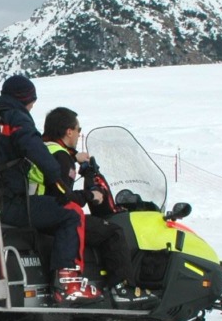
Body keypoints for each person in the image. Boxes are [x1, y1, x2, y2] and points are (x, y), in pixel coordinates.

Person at [0, 75, 99, 304]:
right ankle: (68, 282)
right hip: (10, 201)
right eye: (32, 100)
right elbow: (36, 150)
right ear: (24, 98)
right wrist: (60, 186)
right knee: (71, 213)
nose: (32, 106)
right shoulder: (17, 117)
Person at [39, 107, 158, 308]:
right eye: (78, 129)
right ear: (69, 131)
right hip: (54, 214)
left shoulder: (44, 148)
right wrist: (90, 195)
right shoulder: (60, 157)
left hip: (37, 209)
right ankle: (123, 288)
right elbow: (64, 197)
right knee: (112, 232)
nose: (78, 134)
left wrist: (74, 158)